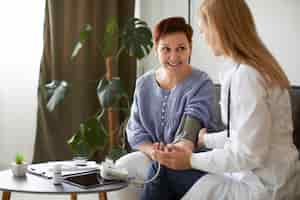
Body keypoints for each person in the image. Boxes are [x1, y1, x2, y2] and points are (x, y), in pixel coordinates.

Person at [141, 0, 299, 200]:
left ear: (217, 28)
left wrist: (189, 160)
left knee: (161, 169)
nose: (204, 37)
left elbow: (247, 154)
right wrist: (206, 139)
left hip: (262, 189)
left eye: (203, 30)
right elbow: (249, 135)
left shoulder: (246, 76)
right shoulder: (261, 67)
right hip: (280, 179)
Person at [108, 16, 215, 200]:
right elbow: (136, 130)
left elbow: (192, 125)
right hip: (153, 154)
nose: (174, 57)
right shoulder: (143, 84)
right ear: (156, 49)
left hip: (192, 159)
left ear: (190, 48)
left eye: (181, 49)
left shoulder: (201, 82)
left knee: (159, 169)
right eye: (166, 49)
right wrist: (154, 152)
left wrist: (174, 152)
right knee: (121, 168)